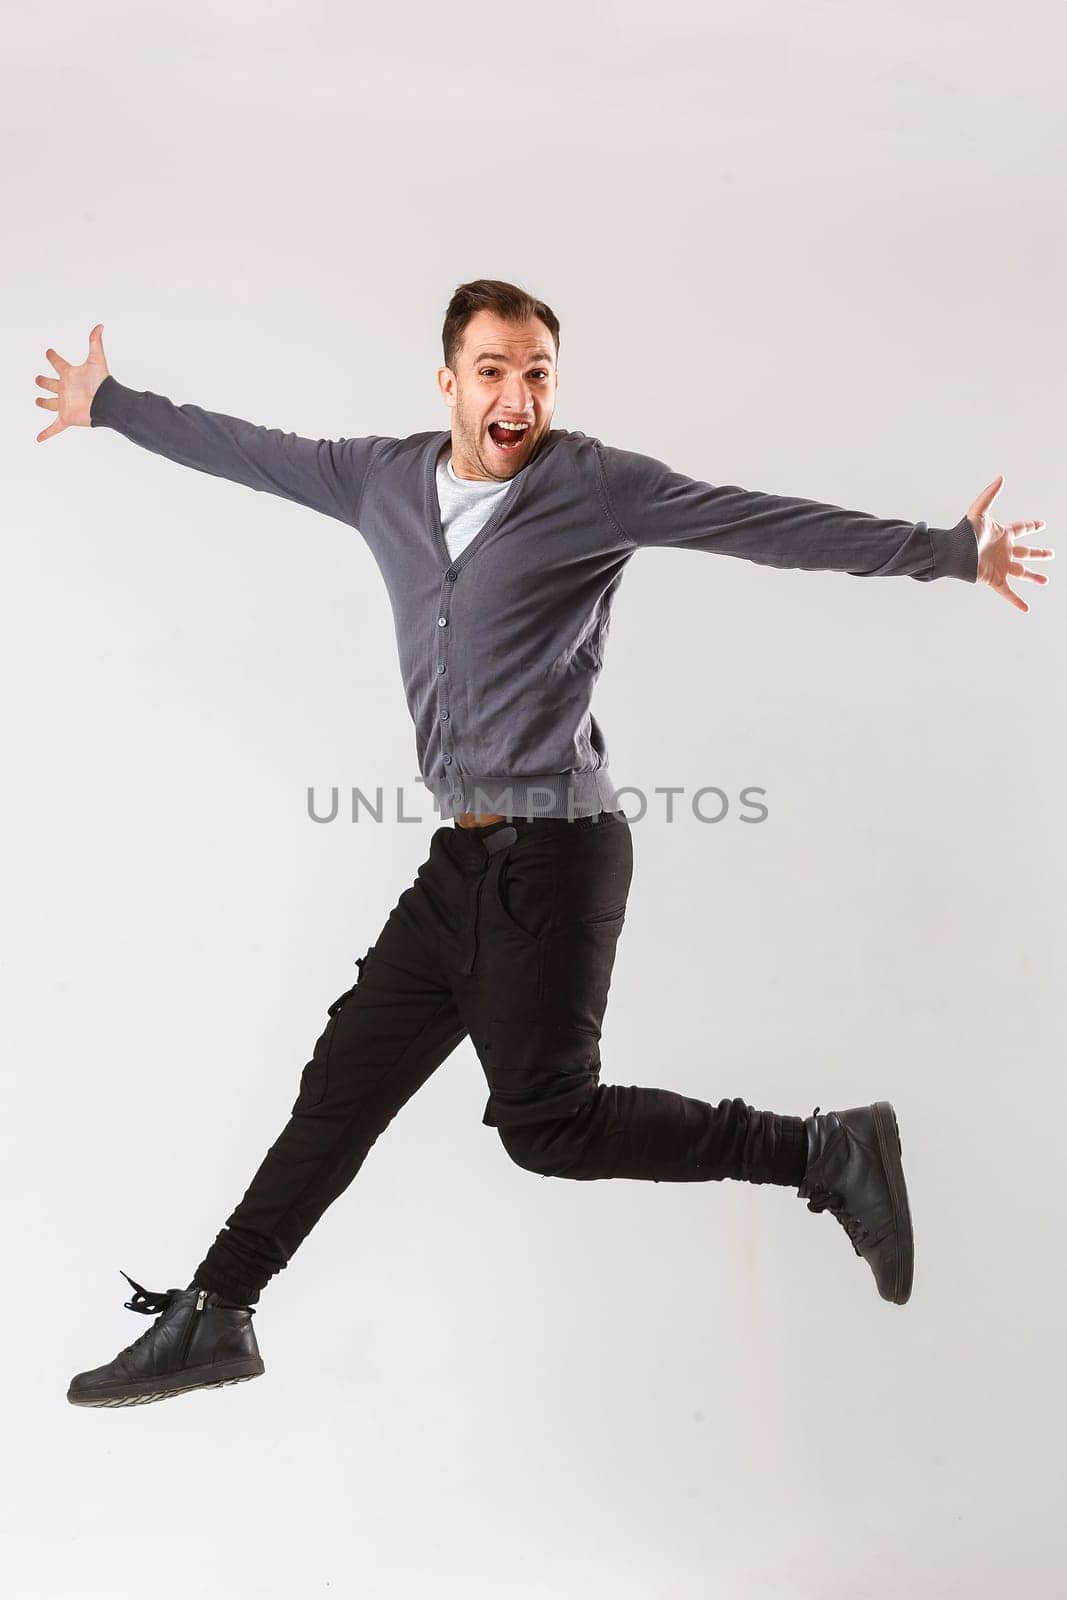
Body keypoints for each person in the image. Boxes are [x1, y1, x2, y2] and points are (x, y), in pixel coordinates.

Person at [39, 279, 1051, 1408]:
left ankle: (823, 1150)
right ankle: (215, 1310)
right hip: (460, 862)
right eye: (492, 372)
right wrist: (113, 403)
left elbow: (755, 520)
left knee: (549, 1124)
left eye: (536, 374)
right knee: (342, 1082)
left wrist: (946, 552)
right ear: (448, 383)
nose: (516, 395)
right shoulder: (379, 478)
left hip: (558, 853)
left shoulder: (590, 486)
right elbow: (252, 450)